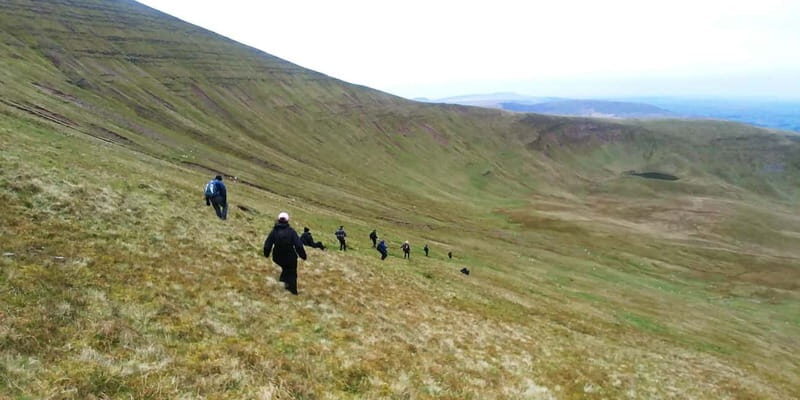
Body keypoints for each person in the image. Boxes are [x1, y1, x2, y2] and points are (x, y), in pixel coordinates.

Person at [263, 212, 307, 295]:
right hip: (290, 258)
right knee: (291, 273)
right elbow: (298, 245)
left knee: (284, 270)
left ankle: (282, 286)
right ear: (287, 220)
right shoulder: (291, 232)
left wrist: (266, 254)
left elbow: (267, 245)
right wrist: (303, 256)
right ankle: (292, 291)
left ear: (278, 220)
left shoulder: (274, 231)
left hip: (277, 257)